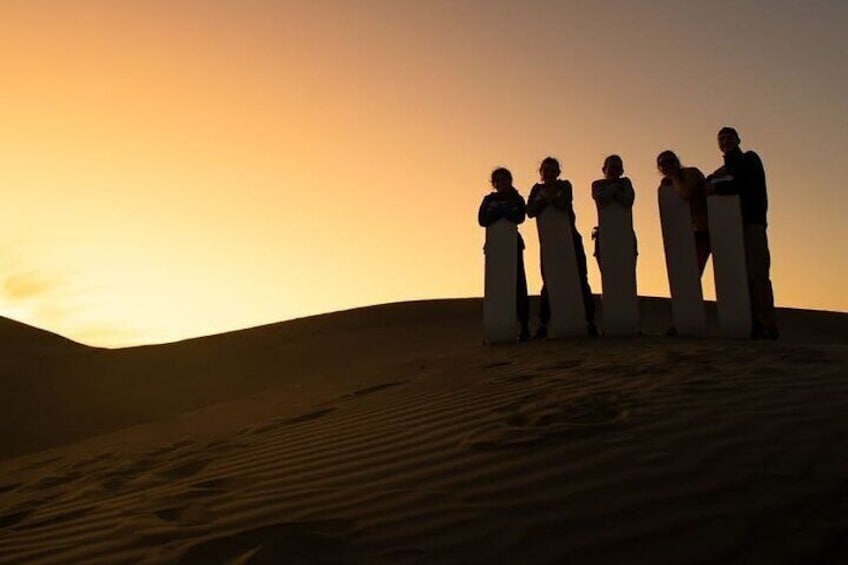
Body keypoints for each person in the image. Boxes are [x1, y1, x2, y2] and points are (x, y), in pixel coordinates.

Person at [706, 126, 779, 339]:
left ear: (738, 140)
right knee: (742, 277)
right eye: (722, 139)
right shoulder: (732, 165)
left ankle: (767, 326)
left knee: (757, 274)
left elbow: (742, 183)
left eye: (729, 137)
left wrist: (715, 188)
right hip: (734, 227)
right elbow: (725, 172)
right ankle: (753, 324)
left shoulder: (749, 159)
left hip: (752, 224)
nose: (726, 141)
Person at [527, 156, 597, 338]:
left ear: (558, 173)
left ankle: (589, 321)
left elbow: (564, 204)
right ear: (541, 172)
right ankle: (545, 323)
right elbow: (531, 211)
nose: (549, 174)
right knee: (549, 280)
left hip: (570, 239)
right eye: (546, 170)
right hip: (549, 243)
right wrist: (547, 199)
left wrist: (547, 200)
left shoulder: (565, 185)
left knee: (580, 278)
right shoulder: (537, 189)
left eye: (553, 170)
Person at [478, 167, 531, 341]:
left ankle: (524, 326)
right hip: (495, 246)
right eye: (497, 180)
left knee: (518, 284)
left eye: (504, 180)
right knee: (495, 286)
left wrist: (500, 211)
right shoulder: (488, 199)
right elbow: (482, 220)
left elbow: (519, 217)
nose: (501, 183)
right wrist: (503, 211)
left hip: (512, 245)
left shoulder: (517, 198)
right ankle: (496, 327)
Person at [657, 150, 711, 274]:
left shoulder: (691, 173)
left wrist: (674, 177)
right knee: (689, 272)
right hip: (691, 232)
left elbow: (687, 192)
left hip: (707, 229)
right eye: (663, 163)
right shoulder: (667, 185)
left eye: (671, 161)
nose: (668, 165)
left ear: (678, 162)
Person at [591, 155, 637, 271]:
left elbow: (628, 200)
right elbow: (601, 199)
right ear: (604, 169)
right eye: (611, 167)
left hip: (625, 233)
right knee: (608, 273)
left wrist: (613, 191)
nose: (614, 171)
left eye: (617, 168)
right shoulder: (597, 184)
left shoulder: (626, 182)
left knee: (626, 271)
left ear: (621, 171)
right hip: (605, 234)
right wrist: (614, 189)